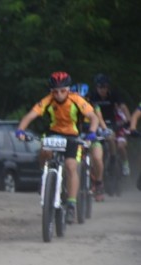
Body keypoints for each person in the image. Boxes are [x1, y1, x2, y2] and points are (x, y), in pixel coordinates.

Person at [16, 71, 99, 223]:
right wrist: (20, 130)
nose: (59, 94)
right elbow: (30, 116)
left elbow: (93, 117)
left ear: (68, 90)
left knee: (70, 166)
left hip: (72, 136)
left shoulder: (77, 100)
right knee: (44, 150)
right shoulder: (47, 101)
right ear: (51, 91)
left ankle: (72, 204)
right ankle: (43, 175)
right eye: (55, 91)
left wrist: (92, 133)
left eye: (63, 91)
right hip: (54, 133)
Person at [89, 73, 133, 176]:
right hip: (98, 122)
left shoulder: (114, 95)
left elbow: (123, 107)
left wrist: (129, 121)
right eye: (100, 87)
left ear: (108, 87)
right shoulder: (92, 96)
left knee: (112, 139)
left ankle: (115, 159)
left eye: (105, 87)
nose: (102, 90)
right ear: (96, 87)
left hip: (112, 121)